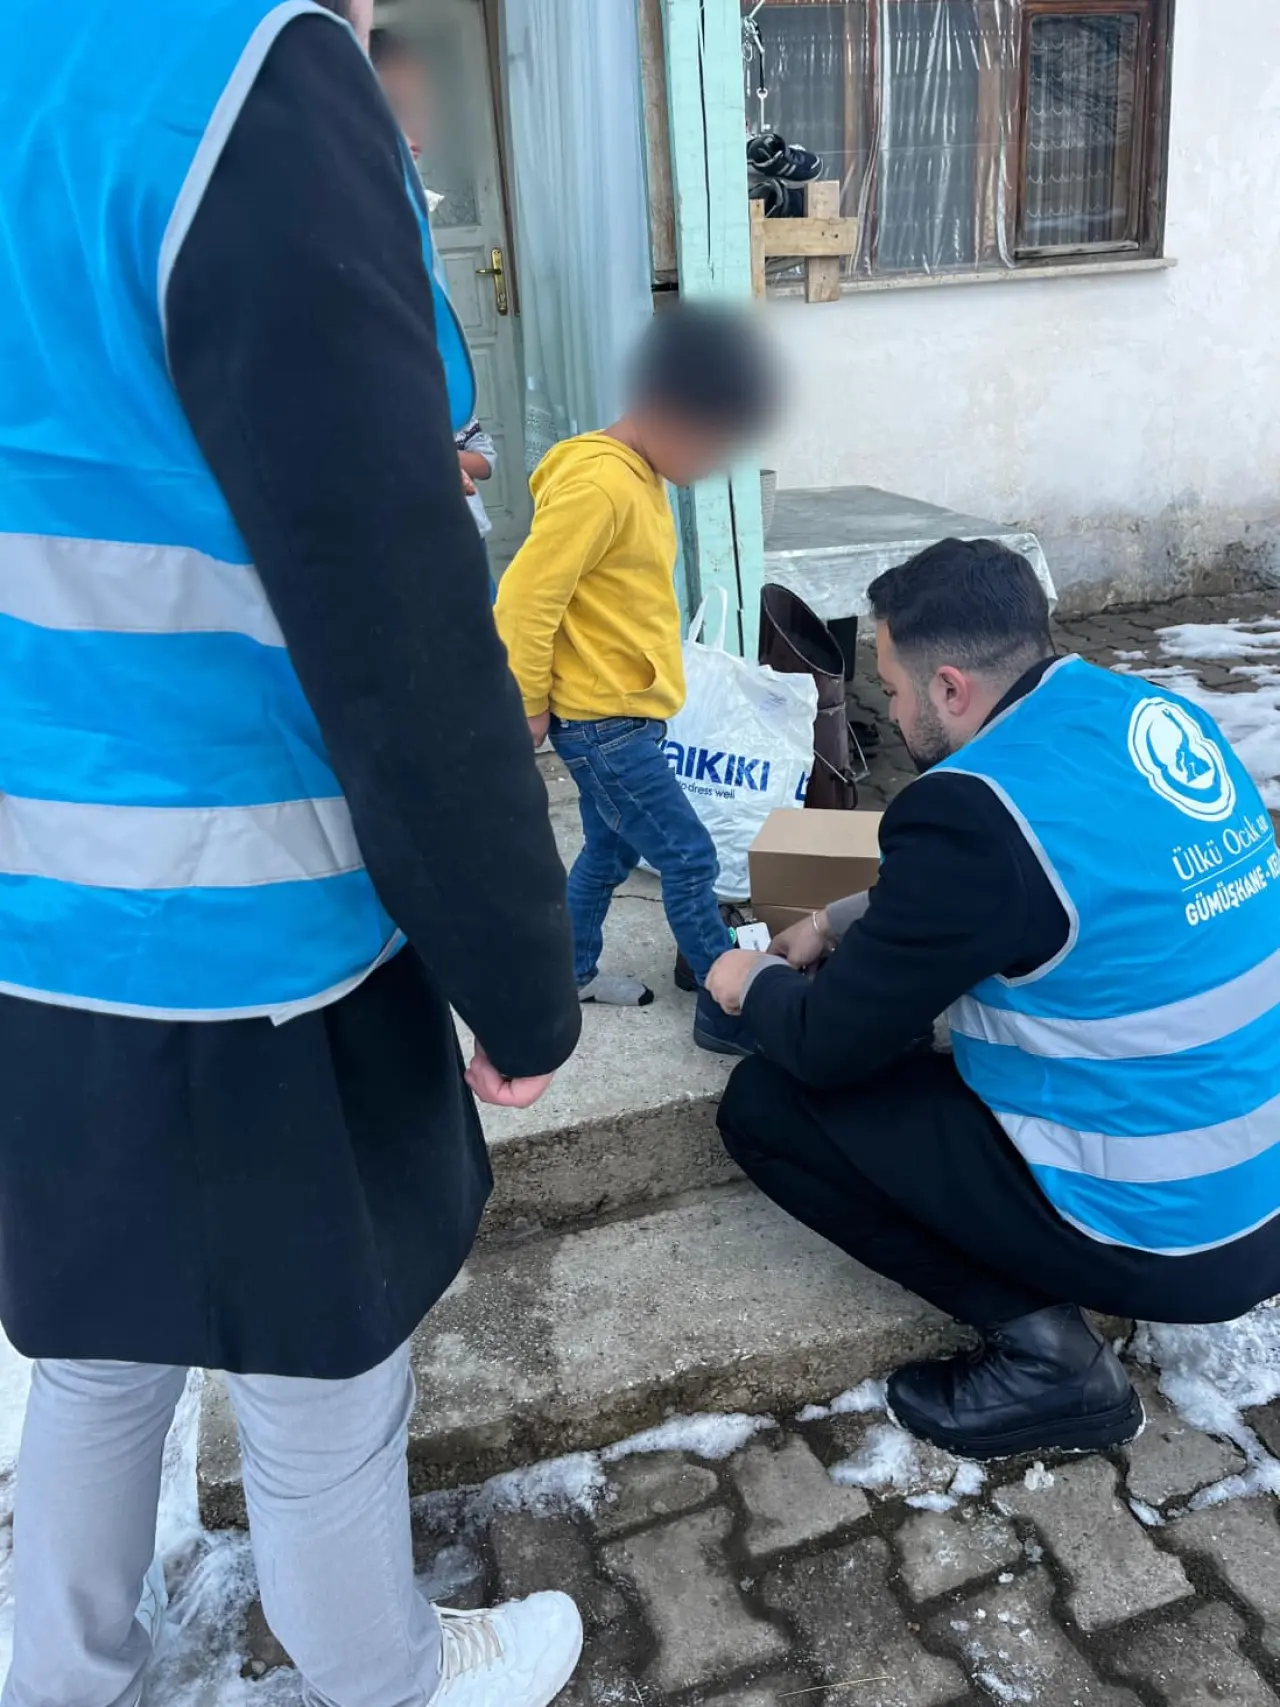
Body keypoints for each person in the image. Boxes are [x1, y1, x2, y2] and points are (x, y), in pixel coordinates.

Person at [0, 3, 585, 1705]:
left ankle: (63, 1665)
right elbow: (402, 632)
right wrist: (515, 978)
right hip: (240, 912)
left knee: (96, 1328)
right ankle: (383, 1669)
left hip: (25, 900)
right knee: (327, 1363)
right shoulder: (243, 76)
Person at [708, 539, 1280, 1461]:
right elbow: (1033, 882)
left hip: (1170, 1229)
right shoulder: (1149, 713)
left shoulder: (971, 807)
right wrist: (840, 918)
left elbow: (824, 1044)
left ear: (949, 688)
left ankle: (1050, 1364)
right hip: (1259, 1177)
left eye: (889, 689)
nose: (886, 713)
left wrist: (755, 980)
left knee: (769, 1106)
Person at [494, 304, 777, 1054]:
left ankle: (571, 973)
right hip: (603, 726)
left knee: (611, 852)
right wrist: (523, 703)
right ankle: (728, 1003)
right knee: (688, 856)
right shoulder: (600, 484)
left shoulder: (638, 476)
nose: (714, 465)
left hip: (624, 715)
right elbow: (526, 598)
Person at [368, 25, 500, 590]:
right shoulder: (343, 234)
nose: (416, 131)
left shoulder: (409, 220)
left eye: (417, 109)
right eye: (395, 108)